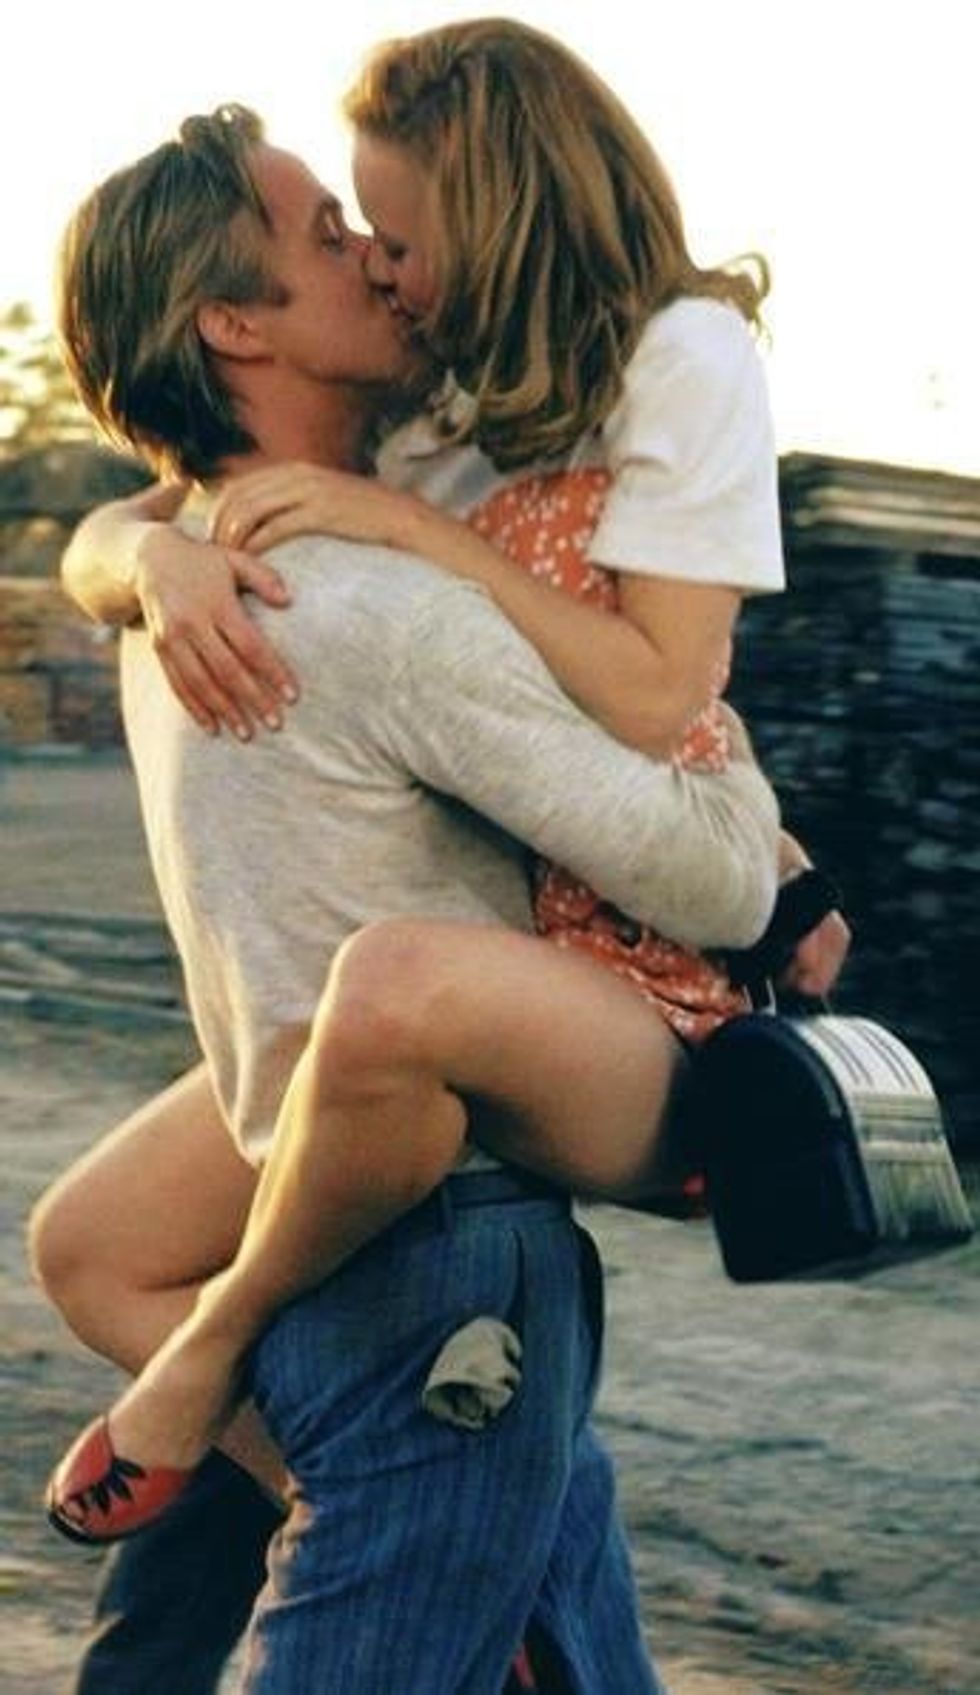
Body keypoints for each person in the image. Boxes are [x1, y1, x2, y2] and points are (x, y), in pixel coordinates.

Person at [32, 102, 785, 1692]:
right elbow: (716, 878)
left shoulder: (213, 582)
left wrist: (148, 556)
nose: (378, 261)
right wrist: (747, 803)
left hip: (417, 1189)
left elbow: (114, 538)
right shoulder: (341, 600)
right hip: (410, 1213)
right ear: (235, 325)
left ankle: (303, 1439)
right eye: (327, 236)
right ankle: (373, 1484)